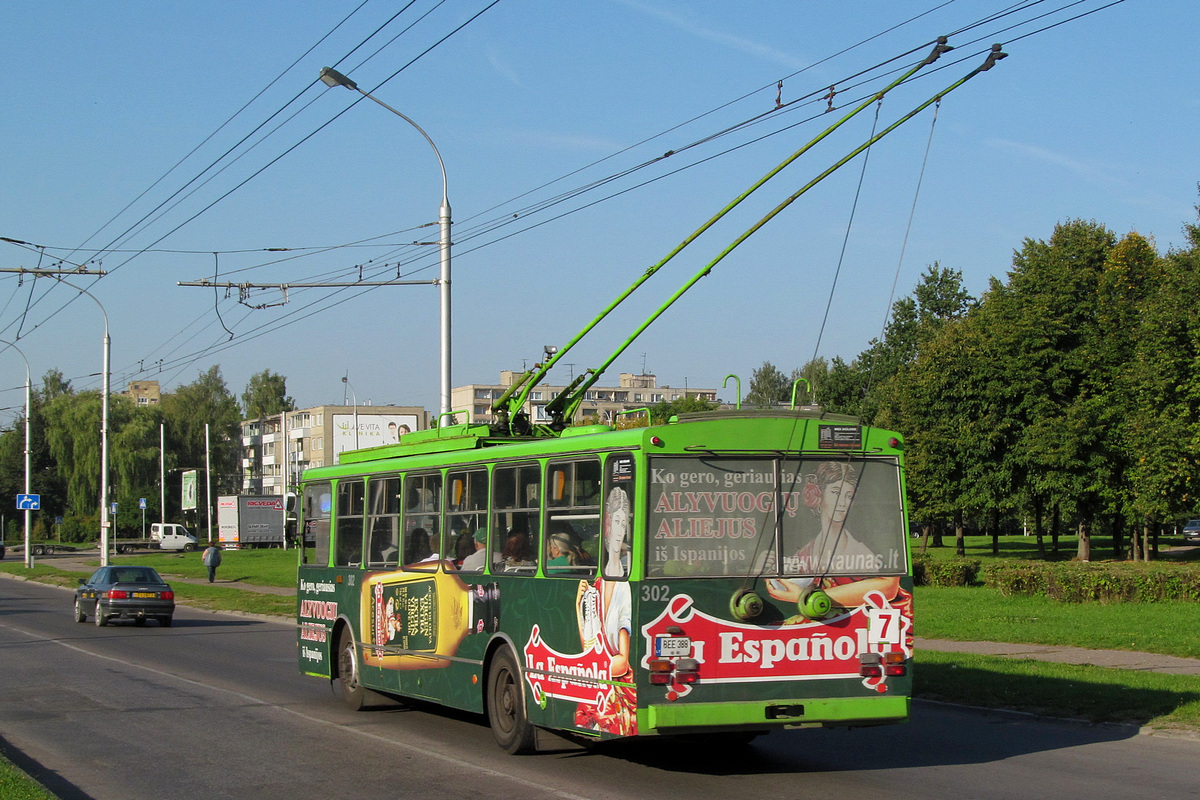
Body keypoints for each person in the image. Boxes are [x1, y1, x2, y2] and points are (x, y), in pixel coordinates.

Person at [767, 461, 910, 614]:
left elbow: (888, 587)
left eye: (848, 496)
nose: (842, 503)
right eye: (835, 493)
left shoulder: (862, 553)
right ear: (818, 494)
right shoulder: (805, 551)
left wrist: (804, 598)